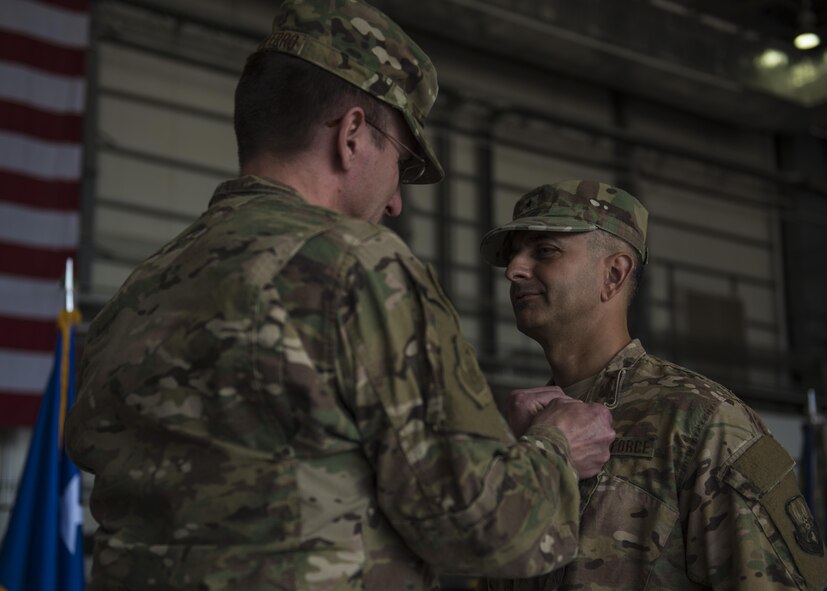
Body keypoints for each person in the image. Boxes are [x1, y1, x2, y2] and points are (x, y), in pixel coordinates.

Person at [64, 3, 617, 590]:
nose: (397, 202)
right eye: (401, 164)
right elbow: (486, 528)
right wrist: (557, 446)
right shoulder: (361, 268)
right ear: (352, 135)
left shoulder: (141, 288)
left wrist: (474, 434)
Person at [479, 180, 827, 590]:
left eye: (545, 251)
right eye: (514, 255)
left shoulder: (703, 421)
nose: (515, 270)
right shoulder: (522, 429)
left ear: (614, 273)